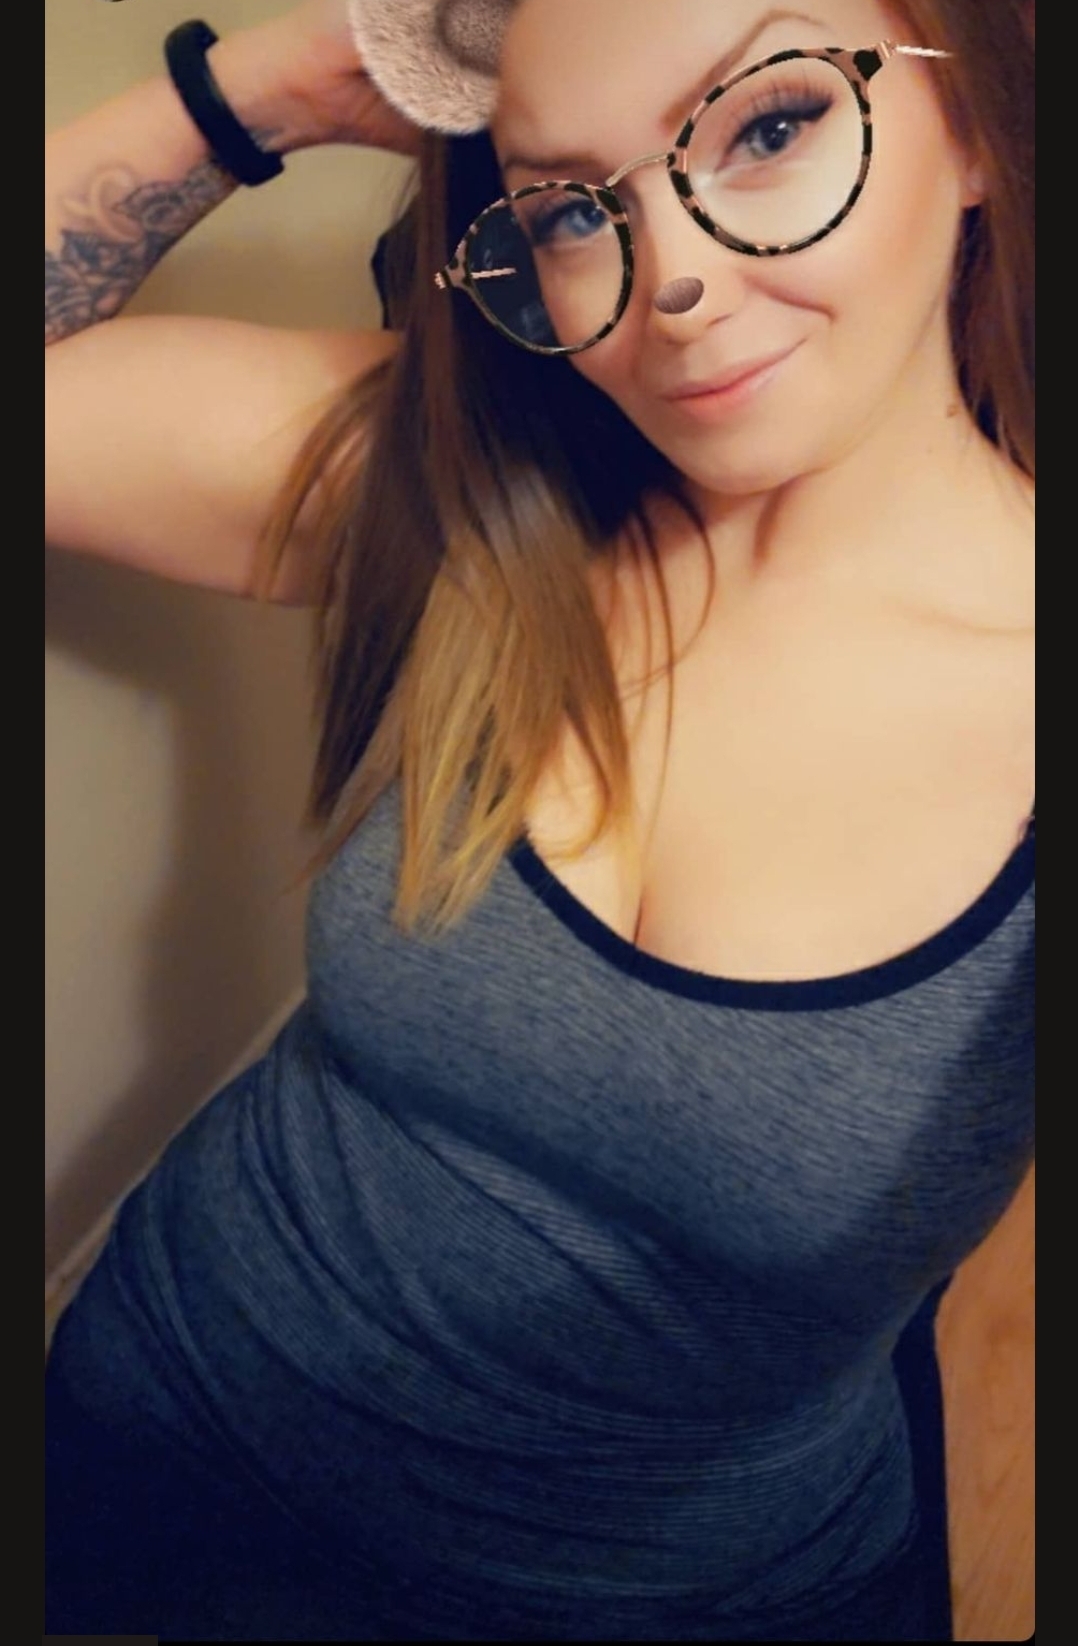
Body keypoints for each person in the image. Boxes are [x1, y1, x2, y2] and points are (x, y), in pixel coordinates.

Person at [44, 0, 1034, 1638]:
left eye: (768, 127)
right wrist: (270, 90)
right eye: (575, 208)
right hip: (160, 1428)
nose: (674, 281)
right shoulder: (480, 497)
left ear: (979, 127)